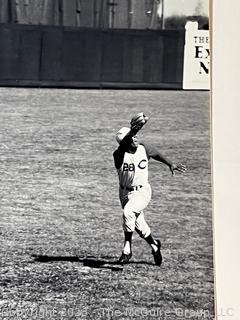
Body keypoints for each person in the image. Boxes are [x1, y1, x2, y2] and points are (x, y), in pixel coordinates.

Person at [113, 113, 186, 266]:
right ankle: (154, 245)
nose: (135, 138)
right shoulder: (119, 155)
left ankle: (127, 248)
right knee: (138, 225)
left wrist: (170, 164)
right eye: (131, 137)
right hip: (125, 193)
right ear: (124, 142)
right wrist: (132, 131)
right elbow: (124, 142)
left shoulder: (143, 148)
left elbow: (157, 154)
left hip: (142, 191)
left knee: (128, 213)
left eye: (135, 136)